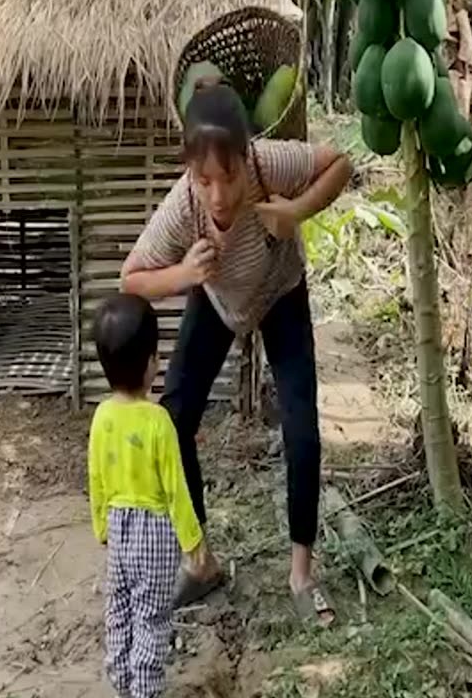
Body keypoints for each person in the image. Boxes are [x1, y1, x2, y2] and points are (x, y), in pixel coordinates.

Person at [120, 79, 352, 625]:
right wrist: (184, 273)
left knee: (301, 427)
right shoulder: (184, 208)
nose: (219, 194)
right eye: (204, 180)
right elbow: (132, 278)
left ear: (248, 158)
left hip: (280, 291)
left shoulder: (272, 162)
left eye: (229, 177)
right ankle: (201, 564)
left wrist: (297, 210)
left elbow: (341, 162)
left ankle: (301, 573)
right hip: (220, 301)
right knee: (173, 420)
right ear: (190, 174)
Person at [88, 293, 207, 698]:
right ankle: (146, 691)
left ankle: (122, 681)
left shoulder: (102, 416)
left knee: (119, 609)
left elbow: (97, 476)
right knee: (152, 619)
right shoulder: (159, 422)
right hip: (156, 532)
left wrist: (101, 523)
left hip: (120, 529)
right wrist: (194, 543)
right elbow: (176, 490)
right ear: (152, 362)